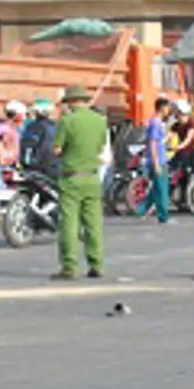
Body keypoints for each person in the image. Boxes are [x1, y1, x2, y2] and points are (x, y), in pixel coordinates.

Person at [53, 85, 108, 280]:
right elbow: (101, 146)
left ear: (69, 102)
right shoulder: (100, 121)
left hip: (71, 177)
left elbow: (57, 149)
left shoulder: (67, 121)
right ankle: (97, 265)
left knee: (70, 224)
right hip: (92, 177)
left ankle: (69, 266)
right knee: (93, 224)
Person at [137, 96, 172, 224]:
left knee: (156, 189)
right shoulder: (156, 123)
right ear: (162, 108)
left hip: (156, 159)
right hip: (158, 160)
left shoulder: (156, 122)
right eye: (168, 107)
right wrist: (157, 163)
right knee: (162, 189)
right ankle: (163, 216)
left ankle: (141, 210)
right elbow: (153, 143)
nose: (169, 110)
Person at [20, 97, 58, 177]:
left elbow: (27, 145)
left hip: (37, 166)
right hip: (54, 164)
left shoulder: (33, 126)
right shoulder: (55, 125)